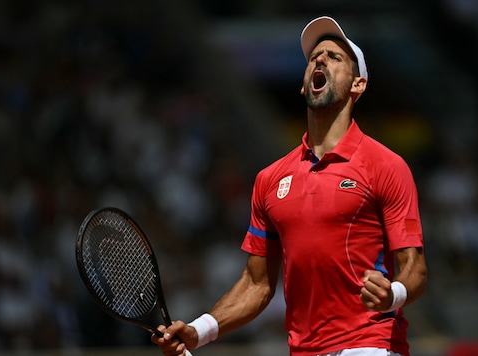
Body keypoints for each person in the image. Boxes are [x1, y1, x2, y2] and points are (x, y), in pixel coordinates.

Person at [152, 16, 427, 356]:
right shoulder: (269, 180)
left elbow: (415, 268)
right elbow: (257, 283)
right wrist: (197, 331)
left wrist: (393, 294)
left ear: (358, 85)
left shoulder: (386, 166)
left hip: (369, 346)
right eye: (314, 57)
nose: (320, 59)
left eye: (334, 57)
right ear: (303, 84)